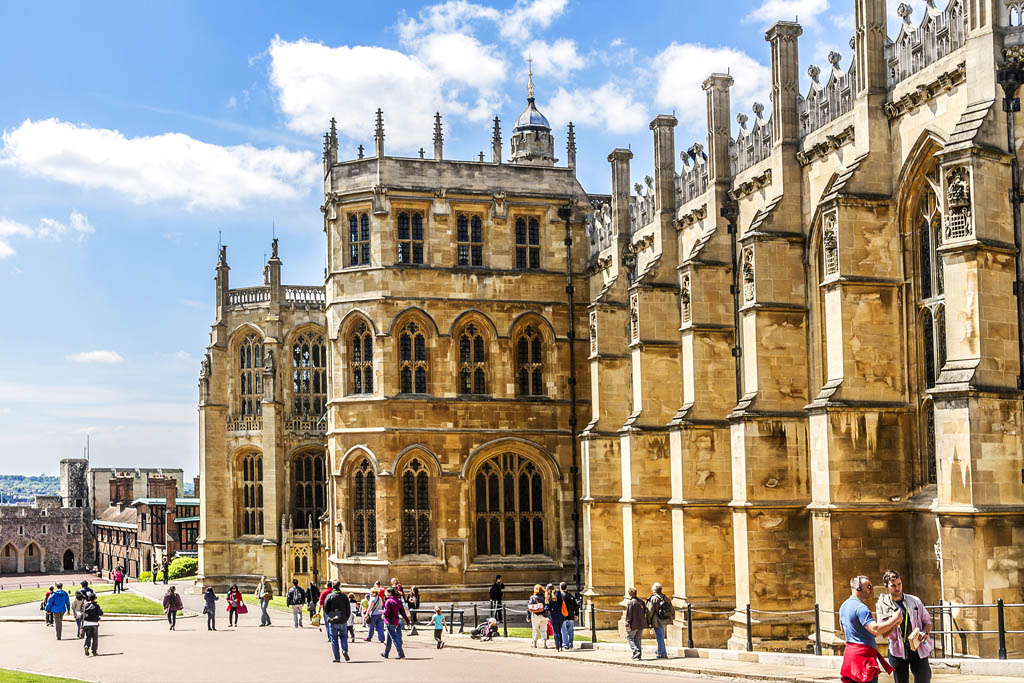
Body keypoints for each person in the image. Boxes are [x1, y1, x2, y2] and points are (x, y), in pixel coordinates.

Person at [840, 575, 901, 683]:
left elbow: (843, 630)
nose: (871, 590)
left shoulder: (843, 606)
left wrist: (893, 625)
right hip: (863, 659)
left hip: (849, 657)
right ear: (858, 588)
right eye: (868, 587)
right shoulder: (861, 608)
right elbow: (875, 630)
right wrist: (894, 619)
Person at [876, 570, 933, 683]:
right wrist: (894, 623)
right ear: (887, 587)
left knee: (924, 679)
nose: (897, 588)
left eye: (899, 584)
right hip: (898, 652)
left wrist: (925, 633)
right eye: (893, 585)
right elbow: (884, 634)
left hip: (918, 648)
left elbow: (927, 621)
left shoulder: (914, 601)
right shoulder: (883, 605)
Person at [323, 581, 352, 663]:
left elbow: (325, 607)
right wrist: (346, 617)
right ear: (339, 586)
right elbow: (348, 609)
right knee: (343, 637)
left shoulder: (330, 596)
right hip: (343, 619)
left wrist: (330, 614)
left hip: (333, 621)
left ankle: (337, 657)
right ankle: (344, 650)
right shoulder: (344, 596)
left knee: (334, 639)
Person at [381, 587, 411, 659]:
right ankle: (386, 653)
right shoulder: (398, 600)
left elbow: (387, 612)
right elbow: (403, 612)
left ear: (389, 593)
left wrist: (383, 612)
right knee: (389, 638)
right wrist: (407, 621)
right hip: (396, 621)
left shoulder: (388, 601)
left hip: (389, 621)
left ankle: (401, 653)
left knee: (394, 638)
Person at [645, 582, 673, 659]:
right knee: (660, 636)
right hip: (665, 619)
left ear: (654, 591)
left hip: (657, 620)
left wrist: (648, 621)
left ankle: (663, 653)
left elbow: (649, 611)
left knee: (659, 637)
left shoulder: (653, 598)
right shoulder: (666, 597)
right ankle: (660, 651)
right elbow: (671, 609)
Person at [625, 587, 647, 660]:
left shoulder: (631, 603)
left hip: (633, 624)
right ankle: (638, 655)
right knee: (637, 639)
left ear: (629, 594)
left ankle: (636, 651)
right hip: (641, 624)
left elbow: (629, 615)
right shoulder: (641, 602)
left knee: (629, 637)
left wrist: (627, 624)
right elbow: (644, 612)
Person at [528, 583, 550, 648]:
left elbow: (529, 607)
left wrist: (528, 616)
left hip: (535, 615)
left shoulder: (533, 597)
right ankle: (544, 644)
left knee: (535, 629)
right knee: (544, 630)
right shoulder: (545, 597)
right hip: (544, 616)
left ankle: (534, 644)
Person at [559, 582, 579, 650]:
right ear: (566, 588)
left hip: (563, 617)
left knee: (564, 631)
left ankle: (566, 645)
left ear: (560, 588)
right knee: (570, 632)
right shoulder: (570, 596)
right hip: (571, 616)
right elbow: (576, 606)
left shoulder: (560, 596)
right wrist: (576, 614)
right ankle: (570, 644)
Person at [549, 583, 565, 651]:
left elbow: (547, 608)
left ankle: (557, 647)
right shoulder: (560, 595)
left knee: (555, 632)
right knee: (559, 631)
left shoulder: (549, 597)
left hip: (553, 616)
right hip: (560, 615)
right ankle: (561, 646)